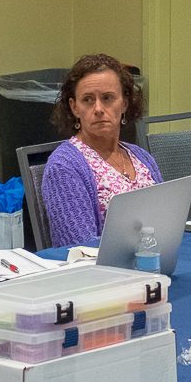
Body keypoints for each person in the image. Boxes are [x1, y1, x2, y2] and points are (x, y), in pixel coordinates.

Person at [41, 54, 162, 247]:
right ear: (74, 107)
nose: (98, 108)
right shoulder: (63, 167)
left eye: (107, 98)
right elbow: (79, 248)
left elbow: (165, 223)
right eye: (88, 100)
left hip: (152, 262)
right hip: (102, 272)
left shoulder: (142, 157)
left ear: (124, 103)